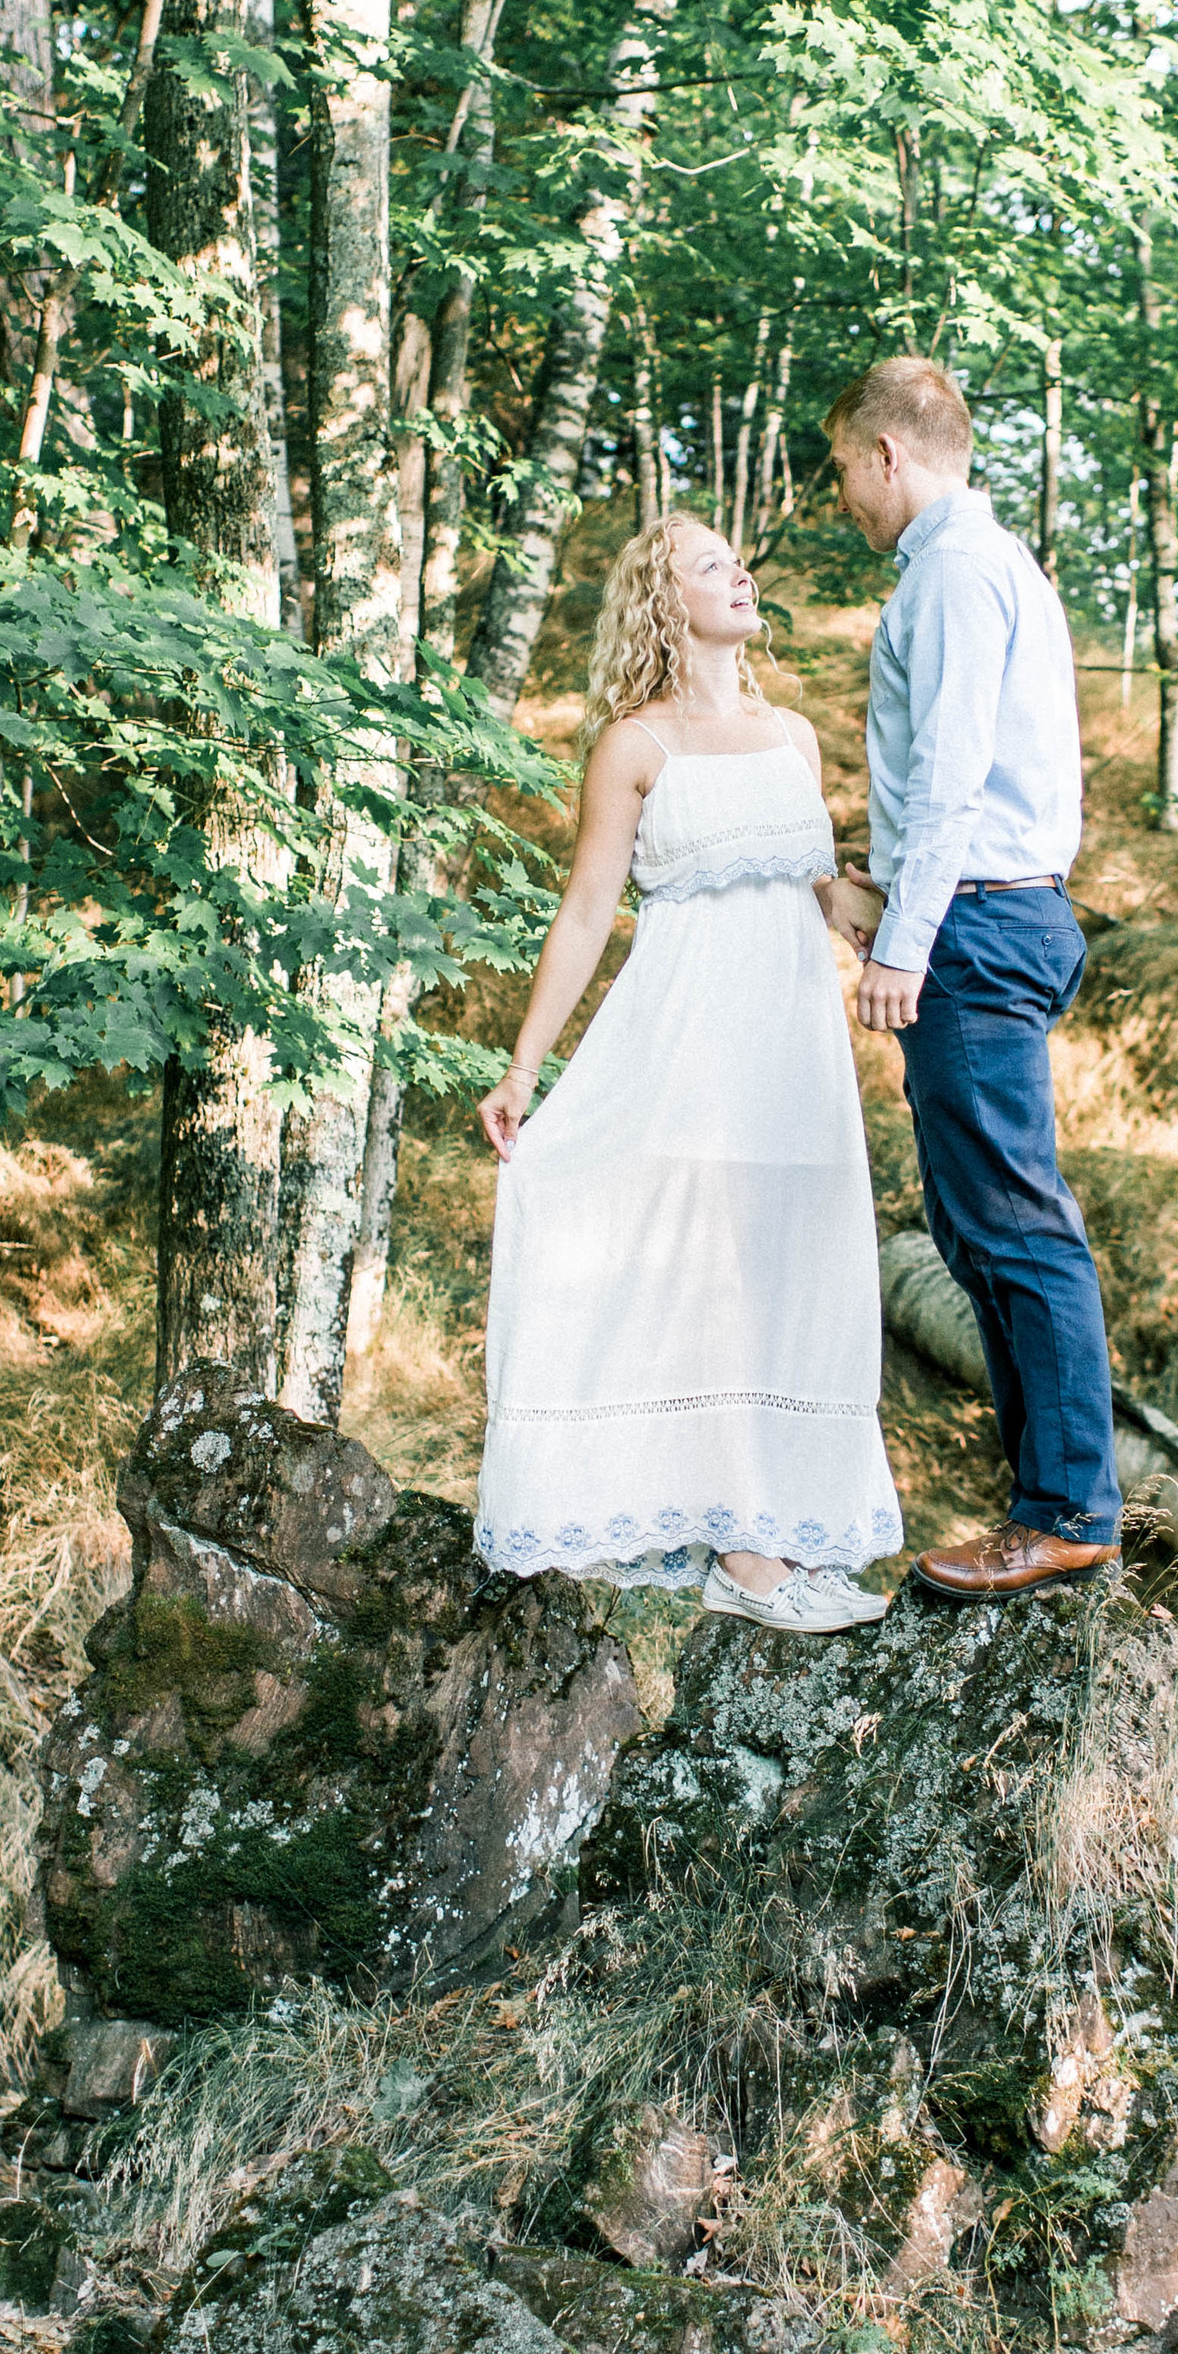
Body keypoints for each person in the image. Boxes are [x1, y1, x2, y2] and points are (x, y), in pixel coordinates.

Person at [472, 514, 902, 1633]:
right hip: (685, 1044)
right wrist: (524, 1070)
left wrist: (937, 917)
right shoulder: (635, 745)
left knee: (789, 1274)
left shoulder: (794, 736)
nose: (739, 571)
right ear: (665, 601)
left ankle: (776, 1532)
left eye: (736, 557)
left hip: (794, 1053)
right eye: (709, 563)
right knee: (702, 1277)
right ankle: (745, 1557)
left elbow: (826, 894)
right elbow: (582, 914)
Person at [823, 355, 1125, 1600]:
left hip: (981, 930)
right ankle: (1043, 1499)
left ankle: (1064, 1510)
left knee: (1011, 1221)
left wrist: (904, 942)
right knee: (971, 1220)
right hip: (993, 913)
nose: (842, 492)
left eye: (844, 466)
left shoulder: (950, 570)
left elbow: (951, 777)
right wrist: (887, 895)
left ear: (889, 454)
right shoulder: (982, 565)